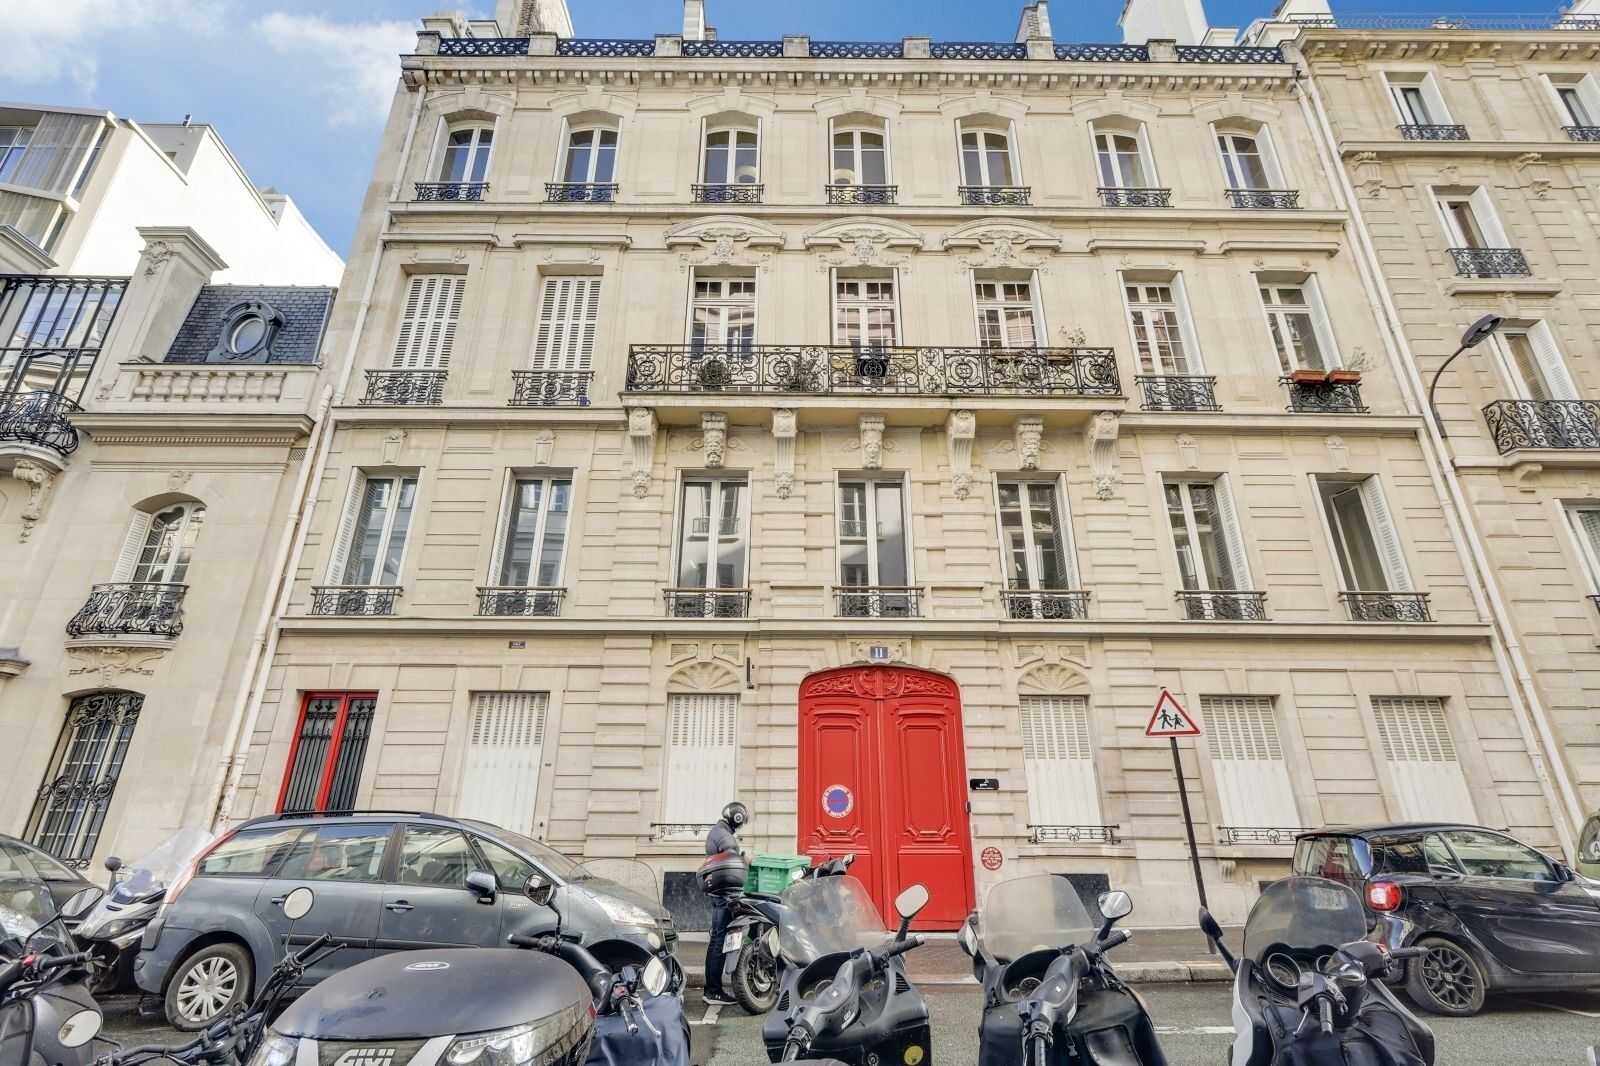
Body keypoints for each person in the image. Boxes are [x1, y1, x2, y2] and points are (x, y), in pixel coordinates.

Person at [701, 801, 748, 1006]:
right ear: (736, 818)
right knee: (720, 940)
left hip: (717, 893)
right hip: (723, 896)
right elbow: (732, 860)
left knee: (716, 940)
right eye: (741, 821)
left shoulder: (718, 831)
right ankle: (713, 991)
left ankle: (711, 989)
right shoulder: (725, 836)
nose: (740, 825)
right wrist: (746, 860)